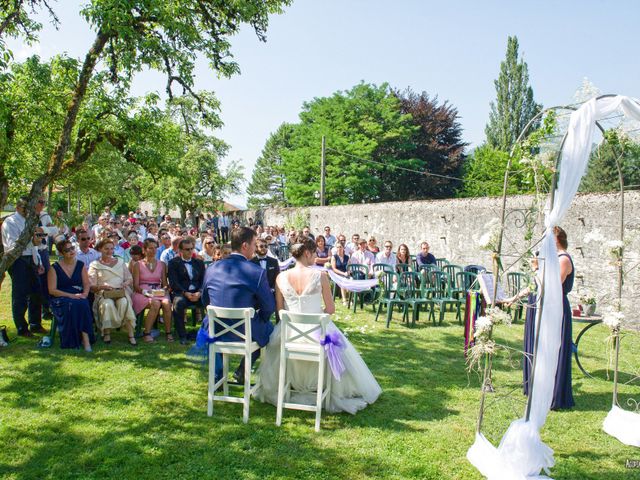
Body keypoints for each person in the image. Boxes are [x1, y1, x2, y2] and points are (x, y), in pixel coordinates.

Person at [254, 235, 382, 413]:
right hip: (316, 334)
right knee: (337, 346)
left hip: (289, 335)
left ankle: (290, 385)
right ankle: (323, 387)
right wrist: (316, 315)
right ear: (307, 253)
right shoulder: (320, 276)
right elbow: (330, 309)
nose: (315, 257)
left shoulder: (280, 277)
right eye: (314, 253)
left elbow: (280, 311)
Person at [199, 227, 275, 382]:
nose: (255, 248)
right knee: (269, 329)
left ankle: (217, 376)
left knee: (214, 325)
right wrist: (259, 316)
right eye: (254, 244)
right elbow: (268, 307)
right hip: (244, 331)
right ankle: (242, 369)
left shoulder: (212, 268)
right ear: (245, 246)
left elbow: (205, 301)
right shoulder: (256, 271)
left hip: (215, 329)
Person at [520, 226, 575, 410]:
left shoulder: (564, 260)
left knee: (554, 348)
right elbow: (536, 286)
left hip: (556, 309)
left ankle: (554, 394)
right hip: (542, 307)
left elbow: (551, 287)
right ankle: (536, 387)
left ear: (555, 240)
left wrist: (536, 268)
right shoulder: (552, 259)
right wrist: (514, 298)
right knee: (538, 347)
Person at [1, 197, 47, 336]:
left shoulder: (30, 220)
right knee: (20, 294)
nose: (27, 211)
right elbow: (13, 245)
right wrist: (31, 241)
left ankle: (35, 324)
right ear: (18, 207)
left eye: (29, 208)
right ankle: (21, 327)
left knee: (36, 292)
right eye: (24, 208)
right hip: (17, 259)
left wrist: (38, 261)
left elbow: (35, 245)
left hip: (31, 258)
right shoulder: (10, 221)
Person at [88, 239, 137, 345]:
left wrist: (125, 283)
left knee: (124, 302)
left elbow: (129, 278)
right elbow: (91, 286)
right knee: (107, 304)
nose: (109, 251)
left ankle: (130, 334)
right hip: (104, 294)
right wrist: (102, 286)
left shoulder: (120, 262)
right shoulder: (94, 265)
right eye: (106, 249)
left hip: (120, 292)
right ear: (100, 249)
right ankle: (107, 333)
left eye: (111, 248)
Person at [47, 239, 94, 351]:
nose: (71, 251)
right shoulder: (54, 268)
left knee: (83, 303)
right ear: (61, 253)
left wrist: (85, 294)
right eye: (67, 250)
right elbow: (52, 290)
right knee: (73, 304)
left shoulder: (80, 265)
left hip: (79, 294)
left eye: (72, 248)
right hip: (61, 297)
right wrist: (71, 296)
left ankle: (86, 340)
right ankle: (74, 340)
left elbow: (86, 283)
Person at [132, 238, 173, 343]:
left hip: (158, 290)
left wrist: (164, 289)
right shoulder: (137, 264)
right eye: (150, 248)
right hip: (142, 291)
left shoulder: (162, 264)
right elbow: (135, 285)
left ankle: (168, 333)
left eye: (155, 248)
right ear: (144, 250)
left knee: (167, 303)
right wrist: (145, 292)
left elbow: (164, 283)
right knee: (155, 303)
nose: (153, 250)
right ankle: (147, 333)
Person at [168, 238, 206, 345]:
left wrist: (199, 292)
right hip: (182, 293)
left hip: (197, 293)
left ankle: (208, 332)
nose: (190, 251)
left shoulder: (199, 263)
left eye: (191, 249)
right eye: (187, 249)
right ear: (180, 250)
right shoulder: (173, 263)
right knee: (178, 303)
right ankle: (182, 335)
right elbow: (173, 282)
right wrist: (185, 293)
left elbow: (204, 280)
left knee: (211, 301)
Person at [331, 241, 350, 306]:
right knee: (343, 281)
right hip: (337, 274)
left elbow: (349, 267)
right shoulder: (334, 257)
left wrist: (348, 272)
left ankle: (350, 299)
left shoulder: (347, 257)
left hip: (345, 274)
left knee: (352, 280)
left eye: (340, 247)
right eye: (337, 247)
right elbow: (334, 269)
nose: (339, 248)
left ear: (343, 248)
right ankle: (344, 300)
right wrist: (343, 273)